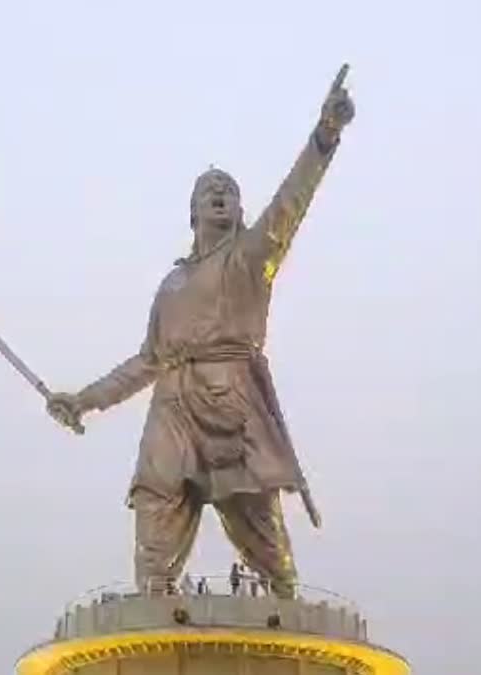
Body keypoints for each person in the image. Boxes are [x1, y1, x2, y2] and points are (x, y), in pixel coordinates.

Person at [47, 66, 355, 599]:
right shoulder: (172, 283)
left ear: (239, 211)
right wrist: (84, 399)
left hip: (232, 398)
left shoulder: (250, 257)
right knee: (155, 494)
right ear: (191, 211)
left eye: (229, 192)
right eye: (209, 191)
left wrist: (323, 137)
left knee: (255, 517)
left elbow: (289, 206)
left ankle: (288, 602)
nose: (219, 195)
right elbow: (145, 361)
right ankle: (155, 608)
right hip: (172, 403)